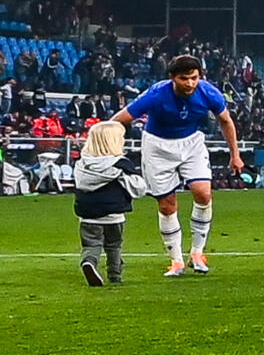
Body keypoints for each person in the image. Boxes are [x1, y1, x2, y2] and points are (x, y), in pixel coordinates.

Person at [109, 53, 242, 276]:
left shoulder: (209, 92)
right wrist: (105, 144)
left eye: (194, 78)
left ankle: (198, 254)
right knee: (167, 205)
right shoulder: (155, 94)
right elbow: (120, 118)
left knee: (203, 193)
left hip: (191, 143)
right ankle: (176, 261)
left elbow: (225, 120)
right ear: (173, 77)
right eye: (184, 78)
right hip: (157, 147)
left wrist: (235, 155)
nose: (190, 83)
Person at [73, 118, 144, 286]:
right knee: (114, 245)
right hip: (114, 214)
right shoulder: (121, 164)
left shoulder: (81, 164)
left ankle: (89, 261)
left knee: (91, 244)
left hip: (87, 215)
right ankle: (115, 274)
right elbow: (138, 188)